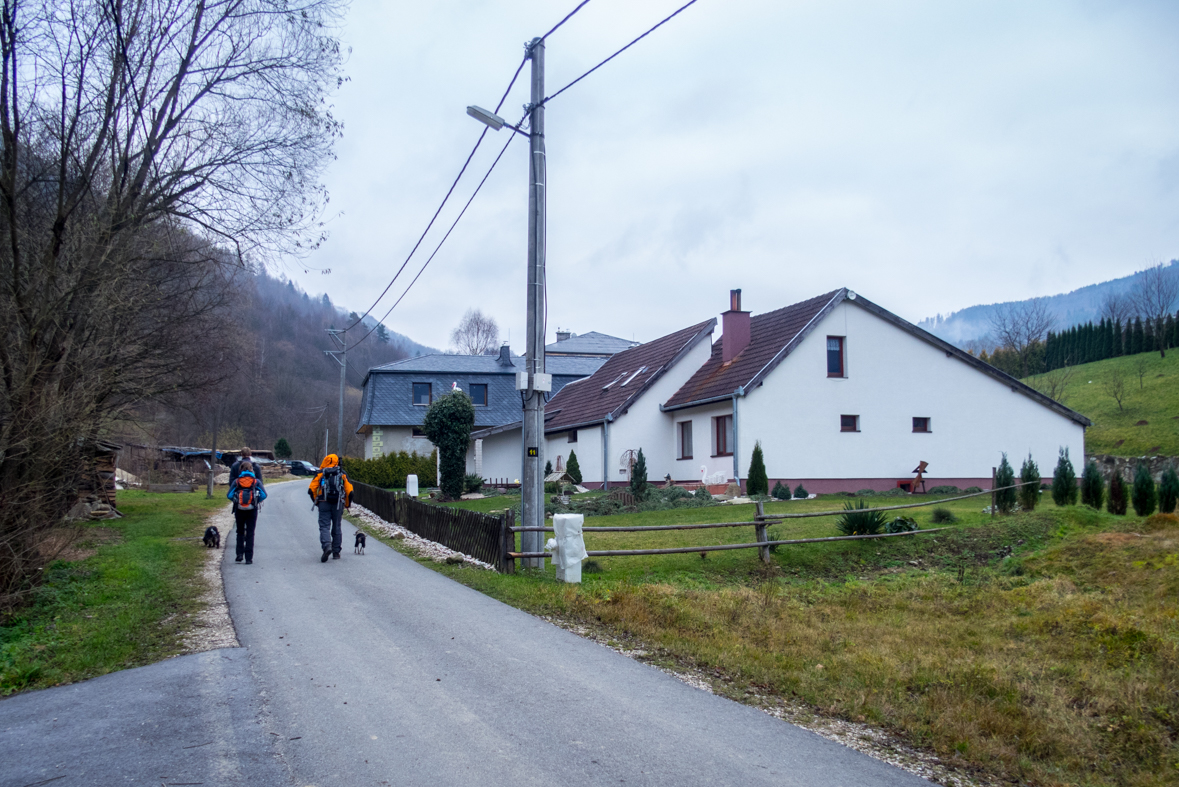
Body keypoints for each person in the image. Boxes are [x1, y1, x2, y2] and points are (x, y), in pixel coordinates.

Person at [308, 454, 353, 562]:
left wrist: (317, 501)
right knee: (337, 526)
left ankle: (327, 546)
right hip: (338, 503)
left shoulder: (320, 473)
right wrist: (346, 504)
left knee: (324, 526)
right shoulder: (342, 473)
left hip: (324, 502)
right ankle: (336, 552)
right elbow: (350, 491)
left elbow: (311, 490)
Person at [227, 461, 267, 564]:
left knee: (240, 532)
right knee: (250, 533)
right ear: (251, 470)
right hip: (252, 510)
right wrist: (255, 501)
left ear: (240, 469)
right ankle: (249, 558)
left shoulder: (236, 481)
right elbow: (264, 495)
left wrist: (237, 501)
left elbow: (229, 495)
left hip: (239, 509)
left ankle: (239, 554)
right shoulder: (255, 481)